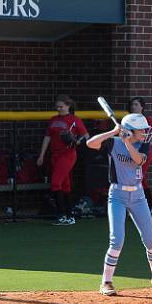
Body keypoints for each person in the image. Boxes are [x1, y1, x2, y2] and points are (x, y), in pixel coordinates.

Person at [86, 113, 152, 296]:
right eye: (141, 130)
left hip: (138, 195)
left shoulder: (144, 145)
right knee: (117, 240)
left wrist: (127, 142)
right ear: (130, 131)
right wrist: (113, 132)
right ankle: (106, 282)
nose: (145, 133)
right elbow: (90, 143)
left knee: (150, 239)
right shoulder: (113, 143)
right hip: (117, 195)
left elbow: (138, 160)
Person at [37, 95, 88, 225]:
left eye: (61, 106)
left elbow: (86, 136)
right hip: (55, 155)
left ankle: (61, 215)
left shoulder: (74, 119)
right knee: (65, 185)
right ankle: (70, 216)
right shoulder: (54, 119)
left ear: (68, 106)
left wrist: (76, 142)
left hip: (67, 155)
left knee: (55, 183)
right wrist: (42, 155)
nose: (58, 108)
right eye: (57, 106)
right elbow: (47, 137)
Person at [127, 97, 152, 215]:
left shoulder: (148, 121)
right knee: (133, 177)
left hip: (144, 153)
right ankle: (141, 206)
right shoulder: (128, 120)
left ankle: (150, 205)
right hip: (131, 152)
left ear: (142, 107)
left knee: (139, 177)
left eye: (136, 104)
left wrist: (146, 145)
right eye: (132, 105)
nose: (133, 107)